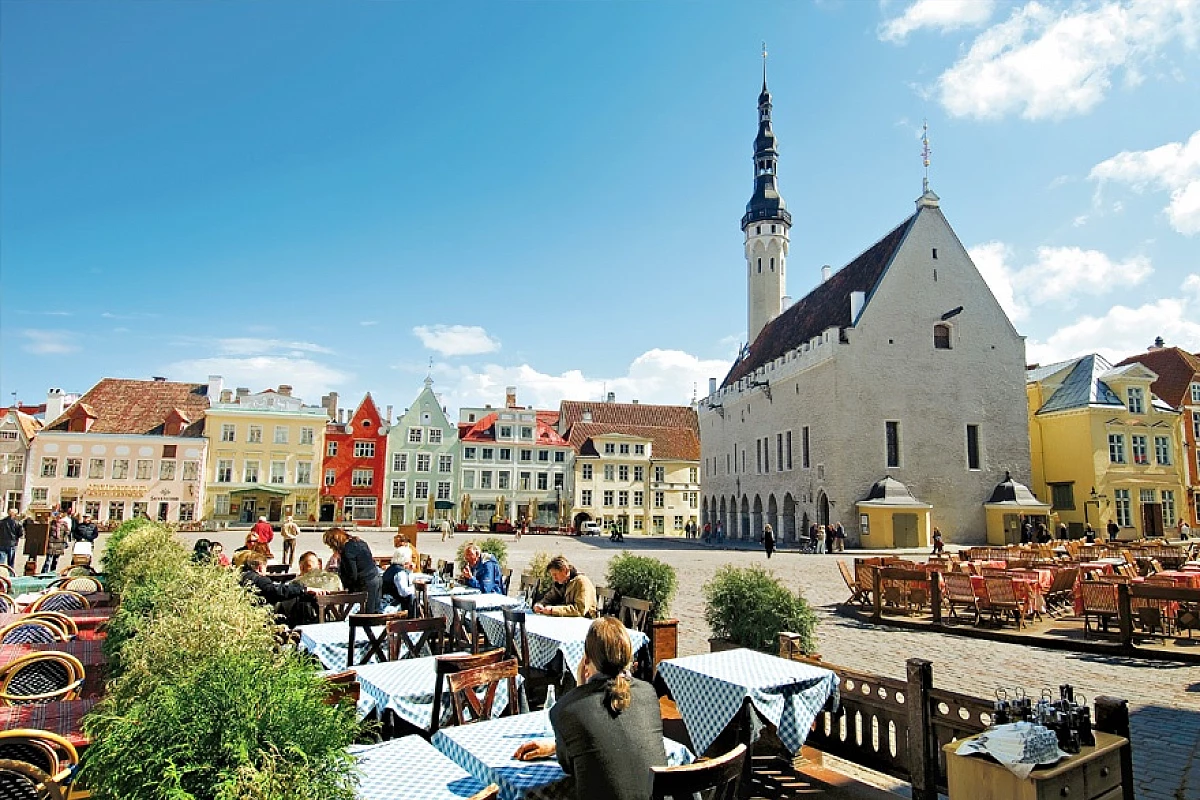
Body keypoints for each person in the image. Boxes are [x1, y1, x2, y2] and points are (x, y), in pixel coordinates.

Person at [512, 617, 667, 800]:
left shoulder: (566, 710)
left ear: (586, 660)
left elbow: (571, 765)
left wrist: (579, 689)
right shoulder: (648, 693)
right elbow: (613, 731)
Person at [239, 552, 325, 627]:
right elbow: (275, 592)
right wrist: (303, 589)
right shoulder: (259, 579)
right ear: (260, 568)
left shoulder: (243, 576)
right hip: (259, 619)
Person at [323, 527, 381, 612]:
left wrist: (347, 587)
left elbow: (352, 575)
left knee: (367, 614)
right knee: (375, 611)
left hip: (365, 584)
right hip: (376, 578)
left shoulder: (347, 551)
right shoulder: (360, 542)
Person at [381, 547, 415, 613]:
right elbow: (403, 592)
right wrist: (415, 589)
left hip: (385, 600)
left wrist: (410, 571)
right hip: (392, 606)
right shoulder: (400, 573)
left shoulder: (391, 568)